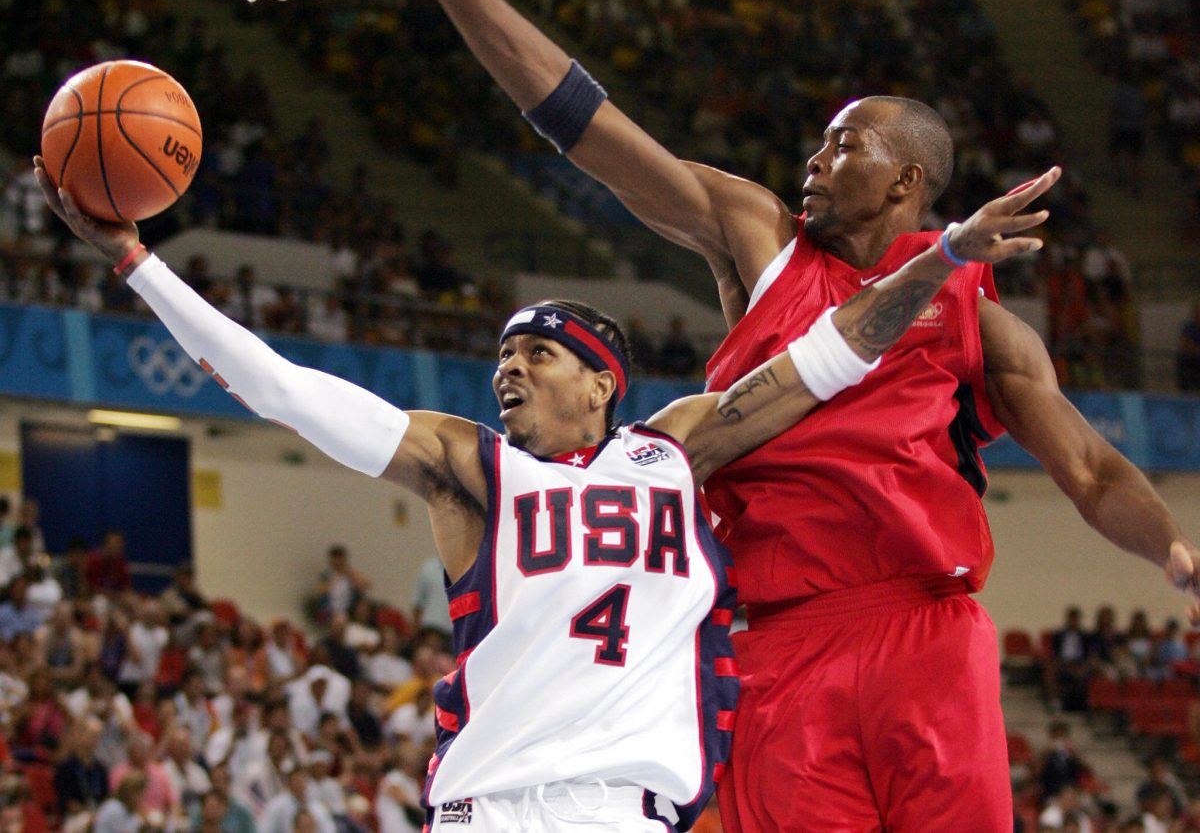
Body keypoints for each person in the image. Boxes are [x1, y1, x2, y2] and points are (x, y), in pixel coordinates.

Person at [413, 0, 1200, 832]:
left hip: (923, 625)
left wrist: (1175, 555)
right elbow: (589, 131)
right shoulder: (762, 243)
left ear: (906, 182)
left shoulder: (978, 318)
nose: (815, 162)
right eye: (820, 145)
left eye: (844, 146)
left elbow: (1093, 471)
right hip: (774, 641)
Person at [35, 154, 1050, 831]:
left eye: (536, 353)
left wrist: (943, 257)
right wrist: (135, 262)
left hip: (627, 811)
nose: (508, 370)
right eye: (502, 357)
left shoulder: (676, 449)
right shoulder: (471, 465)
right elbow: (283, 391)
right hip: (490, 805)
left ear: (603, 382)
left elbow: (827, 357)